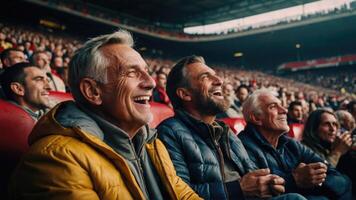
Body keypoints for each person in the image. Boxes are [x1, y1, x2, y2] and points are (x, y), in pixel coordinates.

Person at [9, 30, 201, 199]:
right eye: (132, 73)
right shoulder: (55, 159)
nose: (150, 82)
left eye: (146, 71)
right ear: (93, 91)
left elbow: (182, 194)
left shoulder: (152, 143)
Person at [157, 55, 305, 200]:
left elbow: (254, 175)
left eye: (215, 75)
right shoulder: (169, 133)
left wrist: (273, 183)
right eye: (205, 77)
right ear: (185, 94)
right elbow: (179, 194)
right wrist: (238, 189)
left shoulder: (226, 133)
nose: (219, 81)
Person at [238, 89, 352, 199]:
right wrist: (295, 179)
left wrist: (310, 181)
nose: (284, 110)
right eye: (273, 107)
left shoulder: (291, 144)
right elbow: (263, 191)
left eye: (282, 105)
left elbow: (337, 177)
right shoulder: (243, 148)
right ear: (256, 118)